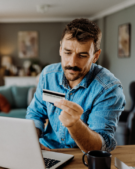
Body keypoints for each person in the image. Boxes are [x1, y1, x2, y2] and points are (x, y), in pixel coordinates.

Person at [26, 18, 126, 153]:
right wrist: (32, 143)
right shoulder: (48, 75)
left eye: (82, 55)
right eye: (67, 52)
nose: (72, 63)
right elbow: (35, 114)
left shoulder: (108, 89)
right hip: (45, 150)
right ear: (60, 49)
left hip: (81, 158)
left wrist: (75, 125)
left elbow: (100, 147)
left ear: (95, 56)